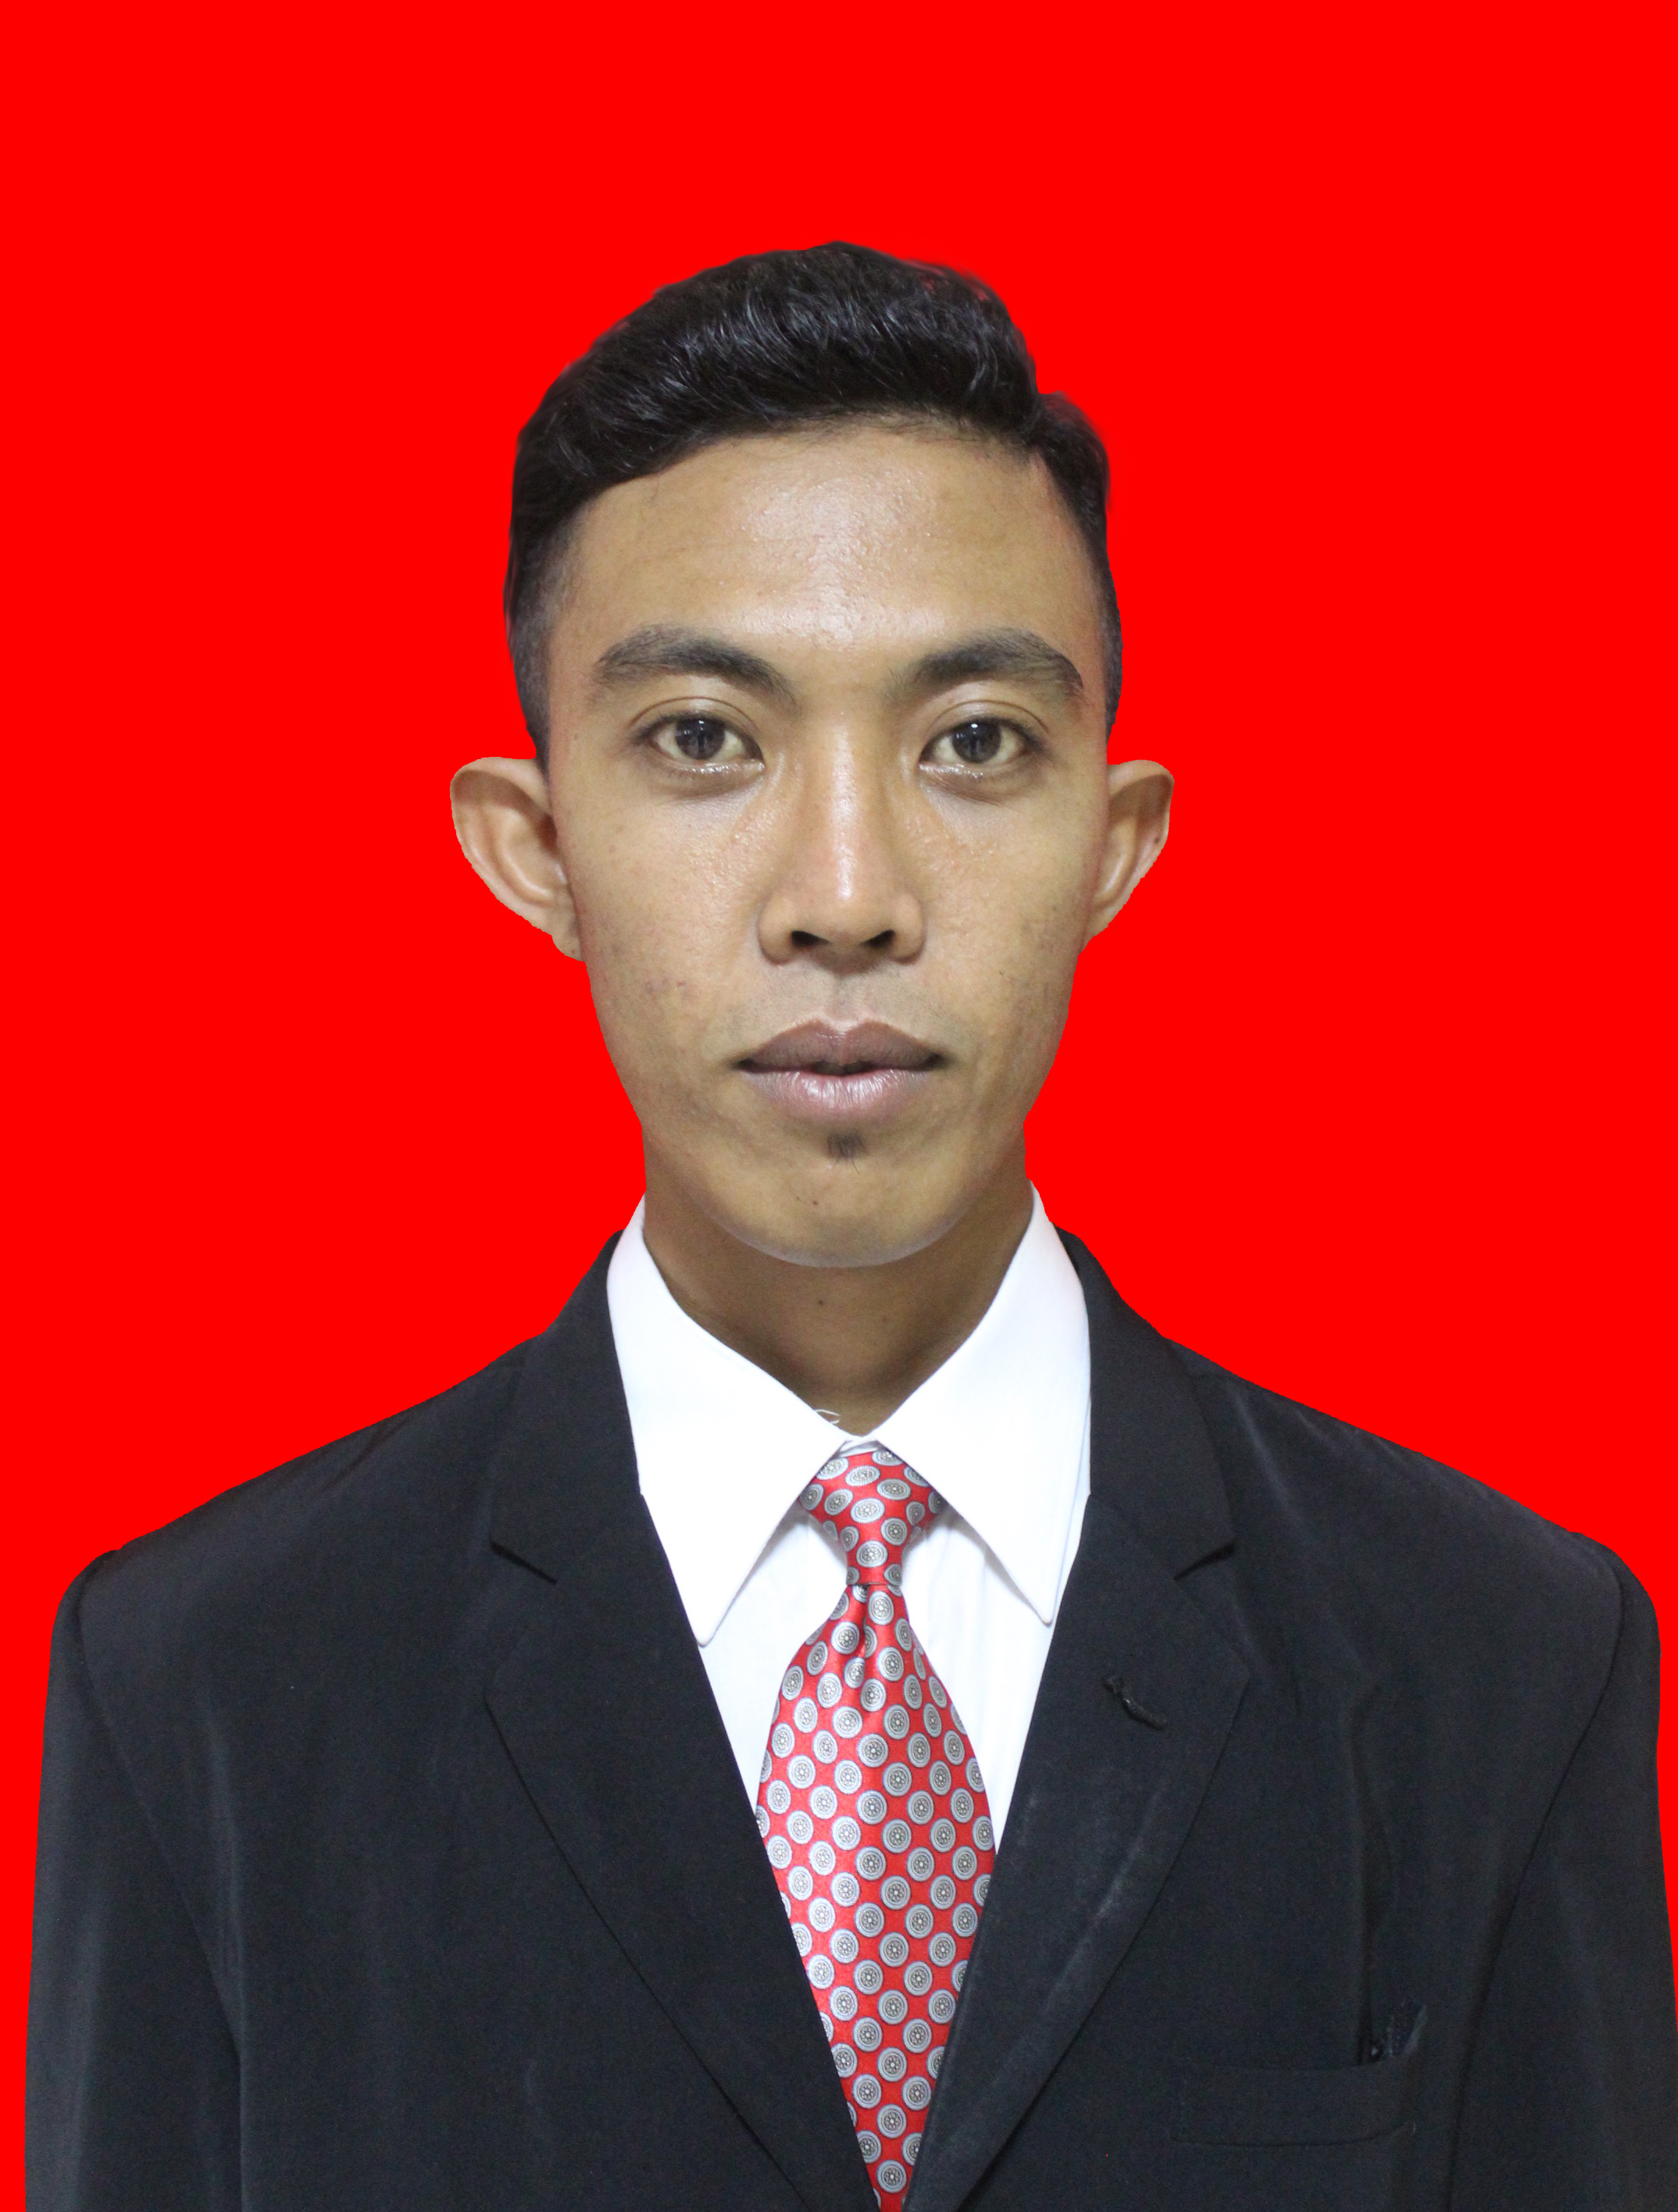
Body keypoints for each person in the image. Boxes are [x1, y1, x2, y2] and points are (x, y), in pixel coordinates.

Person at [26, 244, 1676, 2212]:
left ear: (1115, 844)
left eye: (973, 740)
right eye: (701, 738)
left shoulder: (1501, 1658)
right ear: (534, 850)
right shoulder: (205, 1687)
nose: (844, 893)